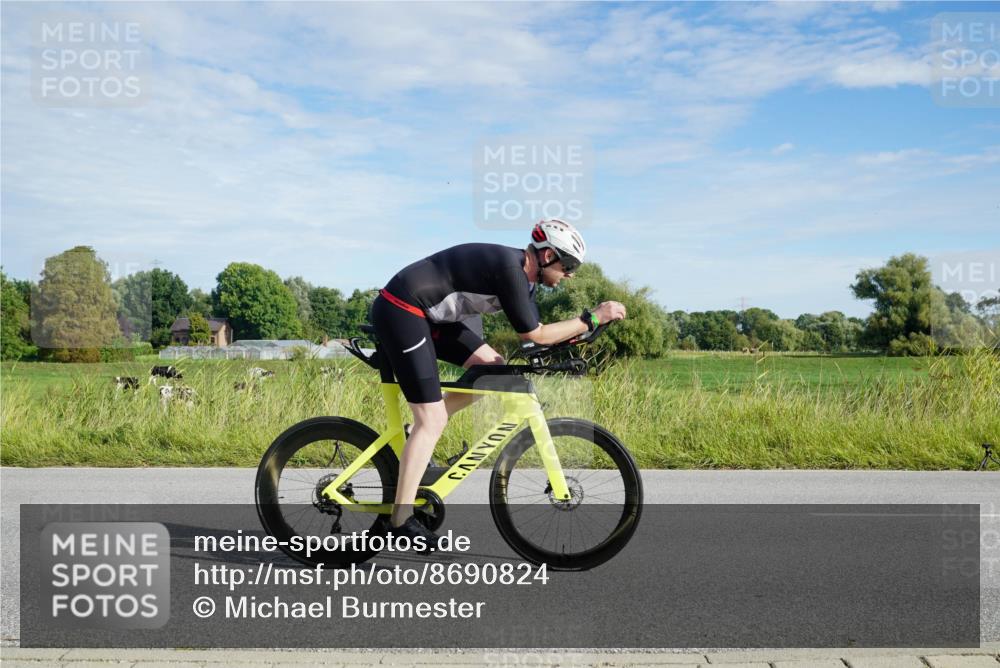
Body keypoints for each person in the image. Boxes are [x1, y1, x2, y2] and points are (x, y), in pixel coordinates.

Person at [370, 219, 627, 548]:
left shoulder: (524, 280)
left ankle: (416, 435)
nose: (570, 275)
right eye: (569, 266)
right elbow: (535, 334)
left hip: (429, 316)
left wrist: (579, 333)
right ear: (548, 255)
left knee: (493, 368)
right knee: (430, 420)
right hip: (402, 310)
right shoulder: (512, 271)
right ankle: (400, 520)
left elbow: (535, 340)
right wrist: (592, 318)